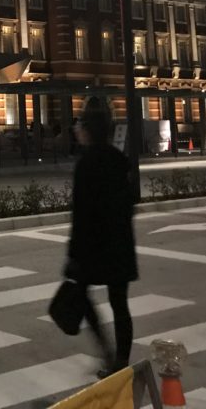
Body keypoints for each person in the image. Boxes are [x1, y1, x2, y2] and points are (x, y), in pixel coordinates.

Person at [65, 97, 138, 378]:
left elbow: (82, 213)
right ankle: (121, 359)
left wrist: (74, 251)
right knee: (120, 303)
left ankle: (109, 354)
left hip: (93, 246)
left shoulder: (86, 163)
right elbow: (129, 200)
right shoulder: (119, 160)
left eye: (79, 124)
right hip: (119, 243)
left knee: (82, 297)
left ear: (88, 129)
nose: (75, 129)